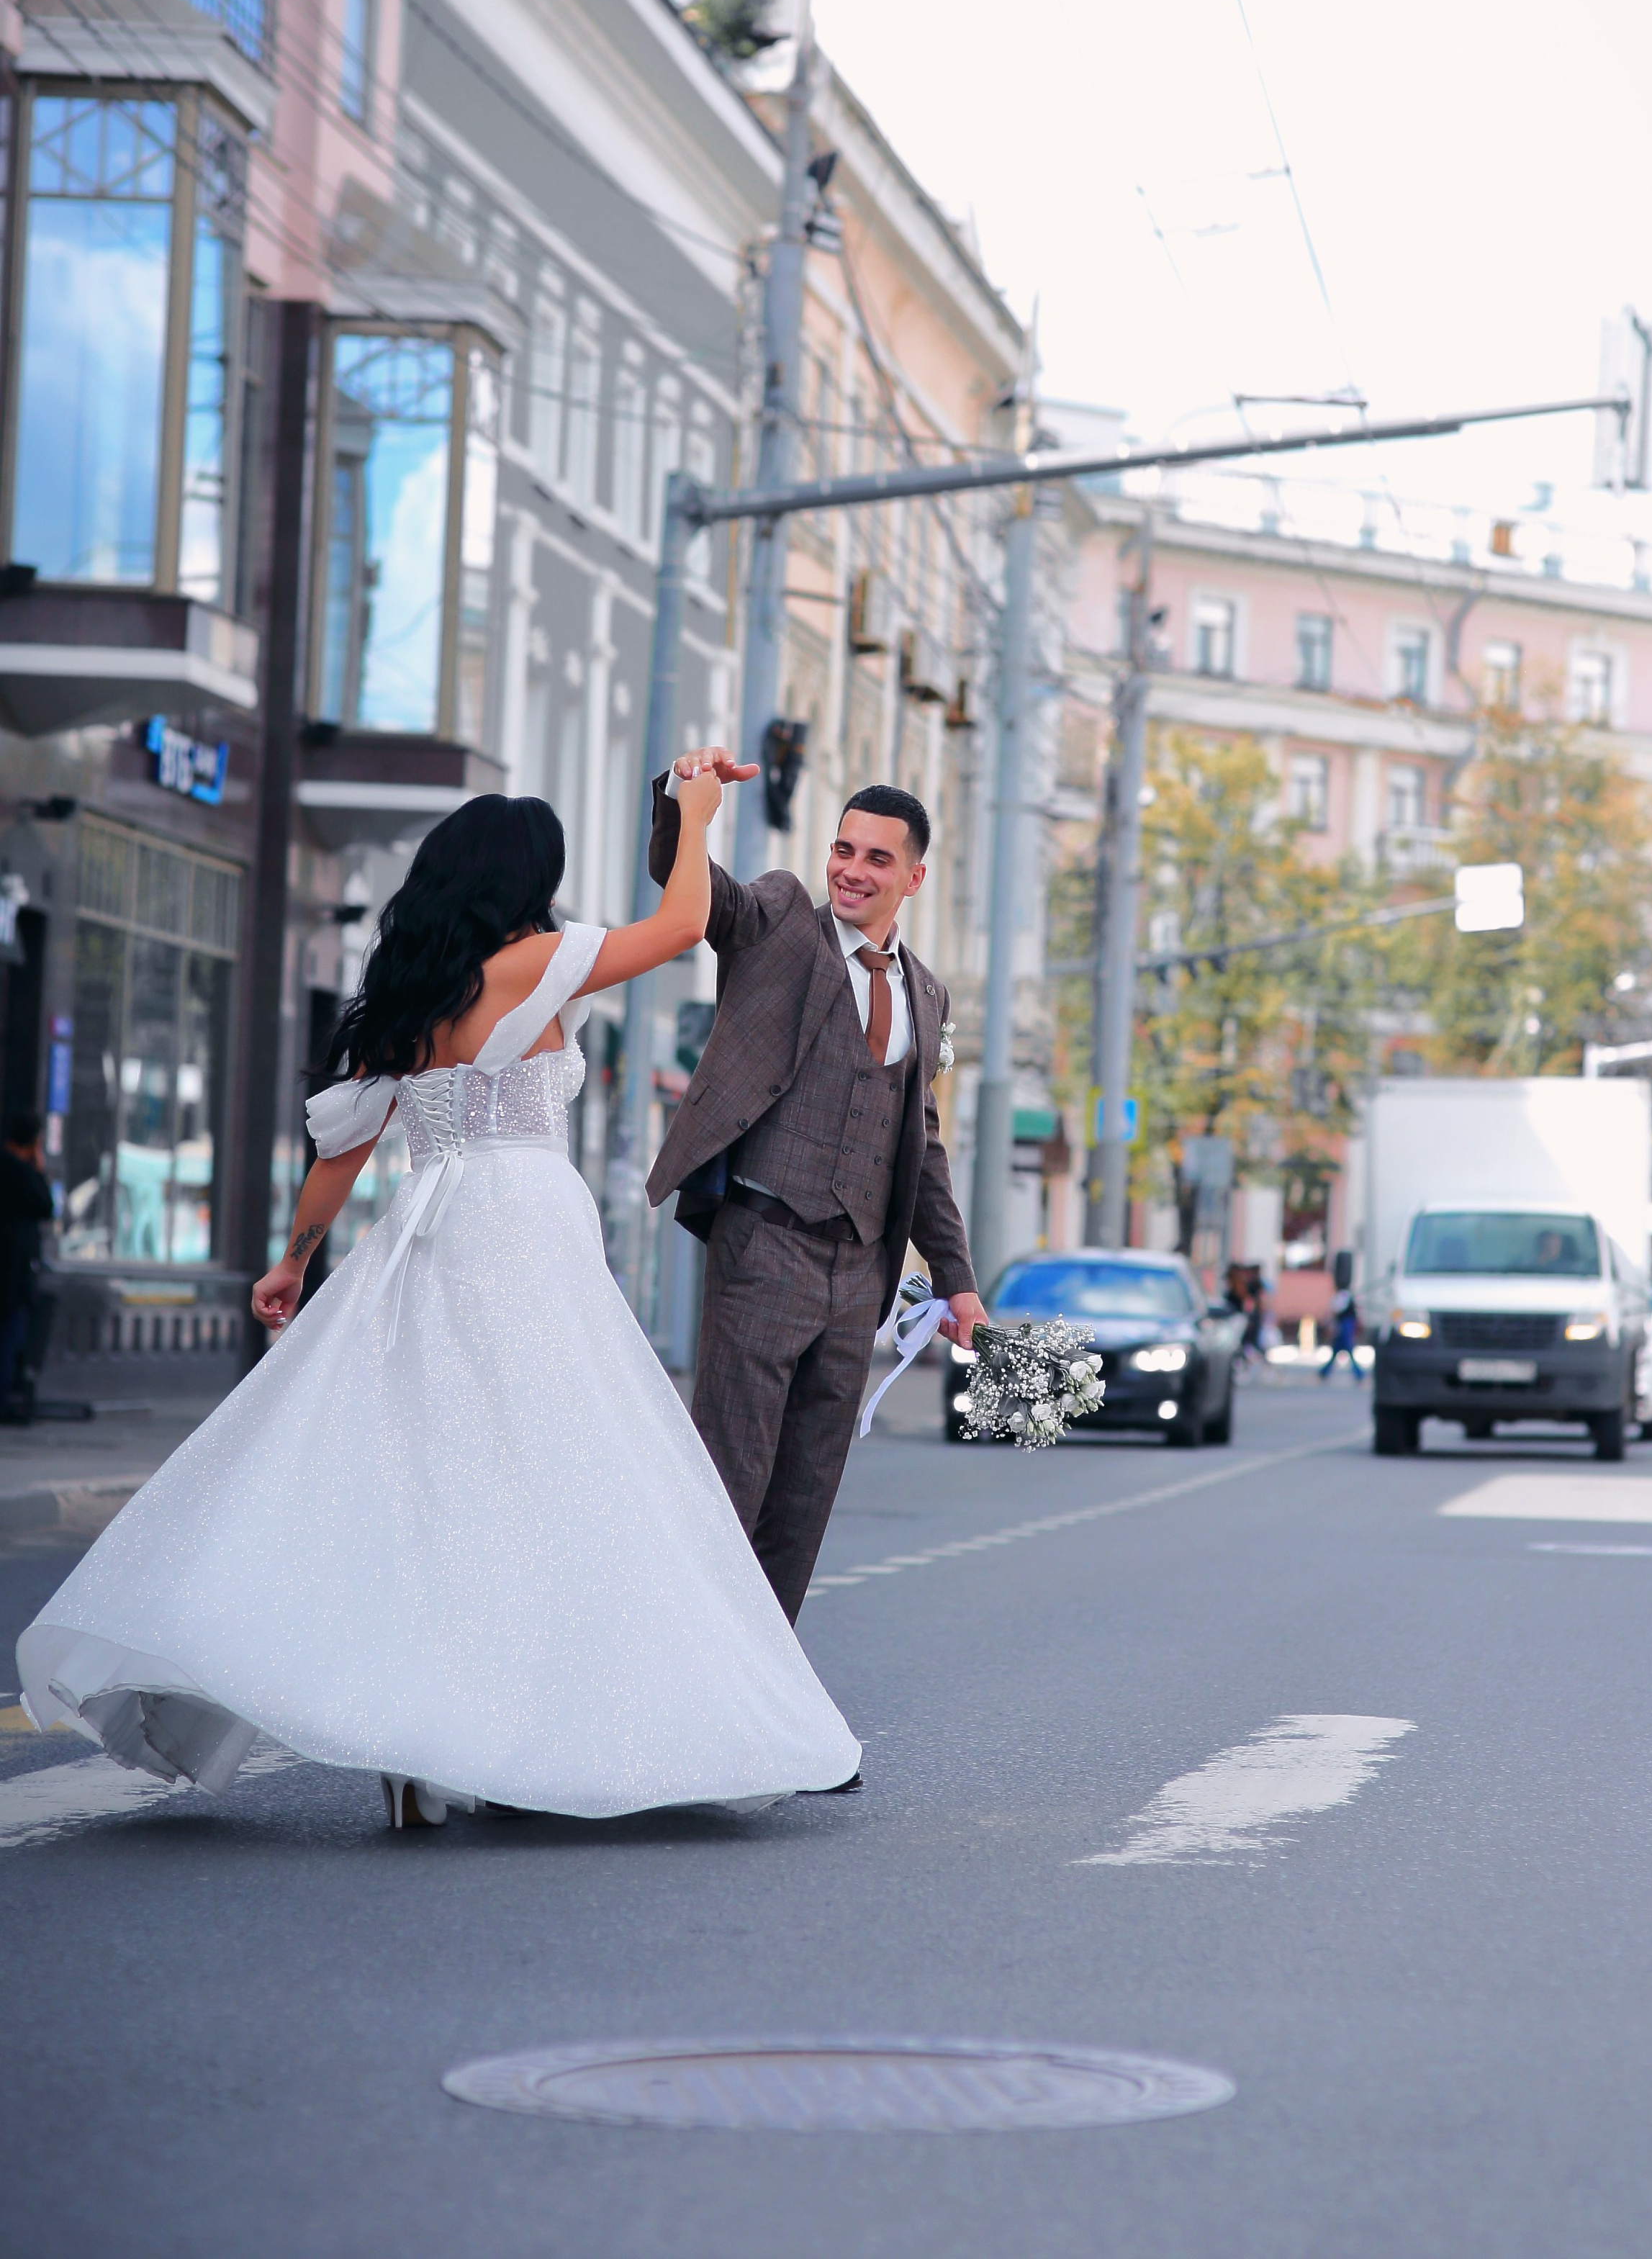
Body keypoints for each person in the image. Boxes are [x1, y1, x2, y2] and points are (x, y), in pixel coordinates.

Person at [16, 781, 860, 1830]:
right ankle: (515, 1732)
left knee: (430, 1483)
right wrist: (693, 814)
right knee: (552, 1478)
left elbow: (345, 1147)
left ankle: (417, 1758)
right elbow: (685, 924)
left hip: (428, 1232)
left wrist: (293, 1261)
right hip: (527, 1228)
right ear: (525, 883)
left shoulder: (412, 995)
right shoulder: (534, 964)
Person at [646, 756, 979, 1634]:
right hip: (765, 1244)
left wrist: (957, 1278)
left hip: (856, 1274)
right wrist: (683, 802)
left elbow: (923, 1149)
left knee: (802, 1502)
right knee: (730, 1479)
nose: (851, 870)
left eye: (876, 859)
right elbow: (699, 894)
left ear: (912, 877)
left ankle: (768, 1709)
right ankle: (684, 1679)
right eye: (843, 848)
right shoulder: (784, 918)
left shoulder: (925, 992)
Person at [0, 1114, 53, 1422]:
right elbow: (45, 1205)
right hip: (12, 1276)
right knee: (9, 1339)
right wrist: (39, 1166)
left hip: (12, 1274)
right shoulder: (20, 1172)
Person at [1319, 1288, 1363, 1381]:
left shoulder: (1343, 1296)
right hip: (1345, 1326)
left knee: (1343, 1351)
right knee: (1345, 1351)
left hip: (1344, 1326)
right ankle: (1358, 1374)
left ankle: (1324, 1372)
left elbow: (1336, 1310)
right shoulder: (1347, 1296)